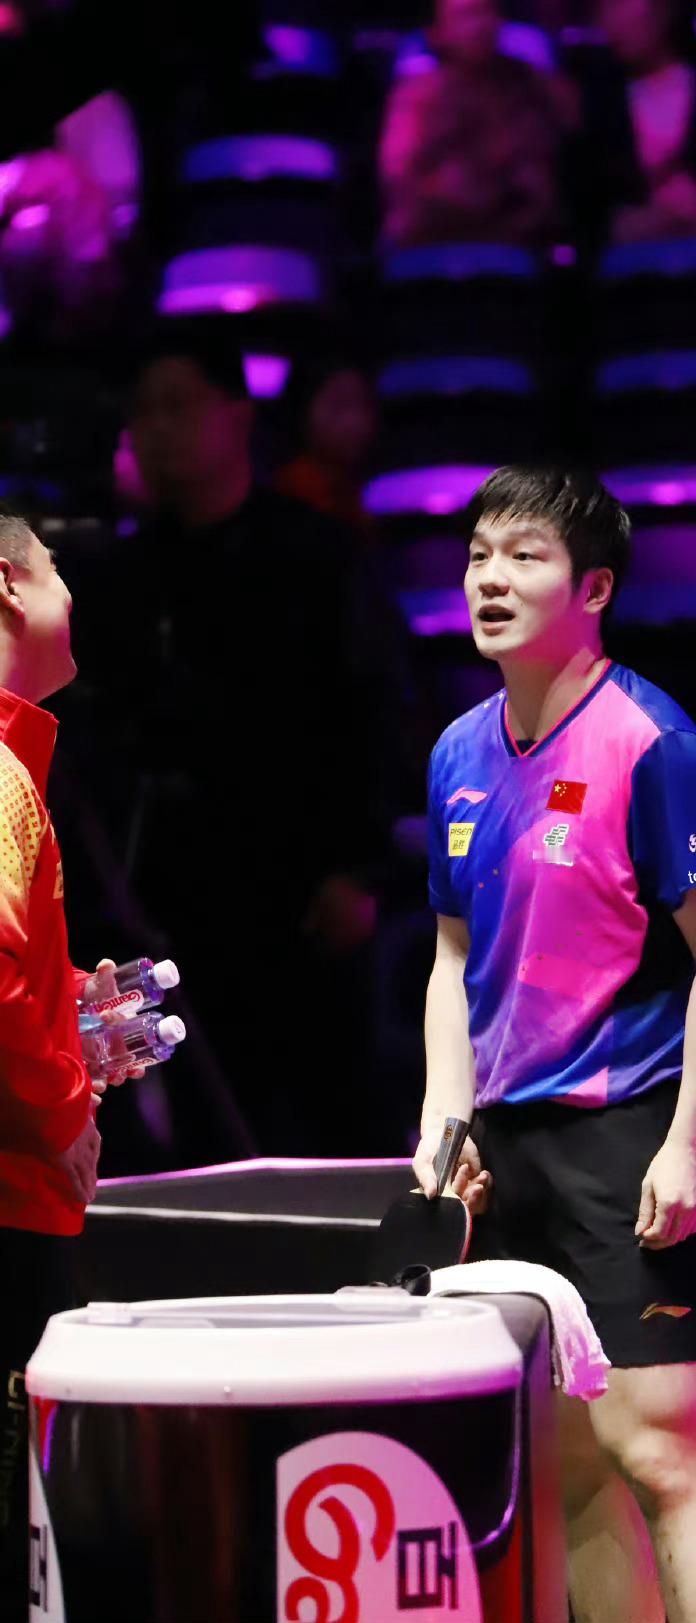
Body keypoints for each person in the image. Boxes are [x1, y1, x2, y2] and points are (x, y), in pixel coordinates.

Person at [413, 468, 696, 1623]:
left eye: (525, 556)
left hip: (627, 1131)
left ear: (595, 588)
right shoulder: (458, 752)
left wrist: (687, 1144)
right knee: (568, 1461)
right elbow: (453, 957)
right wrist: (445, 1117)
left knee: (662, 1455)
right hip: (508, 1144)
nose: (491, 579)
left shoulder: (655, 745)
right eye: (478, 555)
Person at [74, 333, 421, 1158]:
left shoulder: (319, 553)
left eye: (178, 405)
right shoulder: (124, 576)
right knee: (203, 1130)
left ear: (237, 415)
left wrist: (359, 869)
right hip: (176, 896)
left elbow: (379, 711)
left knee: (330, 1118)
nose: (158, 428)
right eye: (142, 412)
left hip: (304, 891)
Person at [0, 509, 133, 1623]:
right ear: (8, 584)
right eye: (56, 569)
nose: (70, 593)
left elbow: (17, 980)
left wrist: (67, 1003)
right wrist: (67, 1111)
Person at [377, 0, 576, 249]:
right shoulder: (417, 96)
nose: (477, 27)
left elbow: (559, 145)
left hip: (518, 231)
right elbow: (398, 173)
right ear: (438, 32)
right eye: (465, 17)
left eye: (485, 13)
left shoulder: (529, 83)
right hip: (433, 230)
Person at [579, 0, 696, 245]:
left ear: (665, 9)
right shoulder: (594, 95)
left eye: (618, 5)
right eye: (603, 9)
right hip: (627, 249)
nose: (611, 23)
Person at [272, 359, 380, 538]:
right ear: (301, 410)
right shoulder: (293, 491)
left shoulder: (354, 486)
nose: (356, 421)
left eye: (364, 404)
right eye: (339, 406)